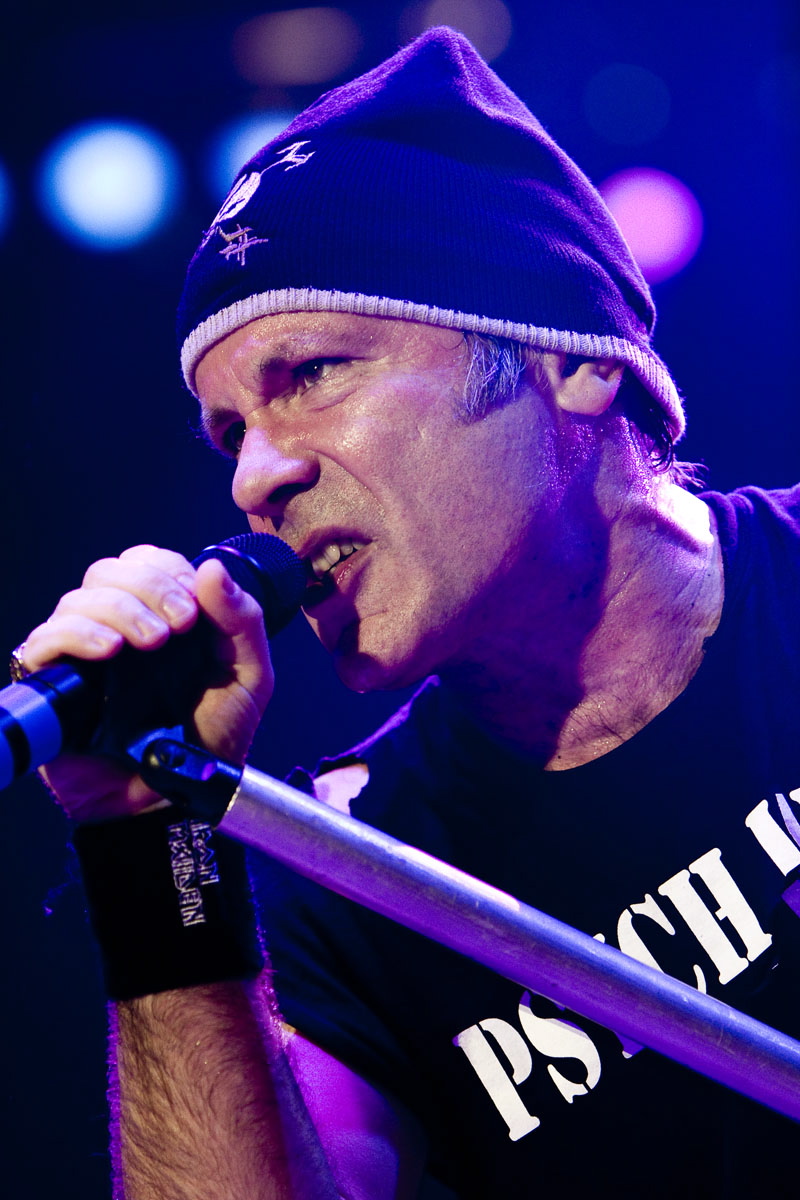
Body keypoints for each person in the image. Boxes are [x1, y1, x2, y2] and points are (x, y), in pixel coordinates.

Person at [16, 25, 800, 1199]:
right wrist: (148, 847)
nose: (255, 477)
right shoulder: (348, 879)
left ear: (571, 360)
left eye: (313, 373)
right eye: (230, 433)